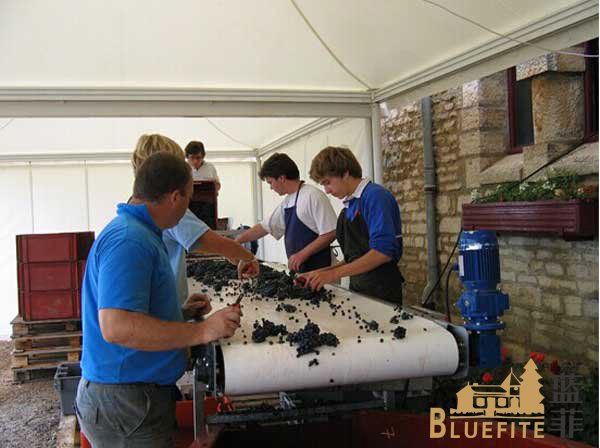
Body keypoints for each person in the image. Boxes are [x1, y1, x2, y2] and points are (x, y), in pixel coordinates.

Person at [75, 152, 243, 447]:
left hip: (132, 398)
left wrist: (179, 312)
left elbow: (132, 311)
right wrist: (203, 330)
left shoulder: (140, 233)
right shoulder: (129, 241)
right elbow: (117, 327)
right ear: (175, 197)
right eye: (188, 198)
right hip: (126, 405)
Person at [132, 134, 259, 305]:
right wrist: (248, 258)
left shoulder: (137, 209)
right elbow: (209, 241)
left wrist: (183, 313)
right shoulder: (169, 208)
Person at [297, 146, 404, 304]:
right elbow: (353, 258)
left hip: (382, 291)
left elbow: (383, 252)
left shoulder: (375, 197)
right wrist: (318, 273)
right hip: (359, 289)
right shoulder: (348, 208)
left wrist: (333, 275)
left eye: (327, 182)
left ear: (345, 173)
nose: (326, 190)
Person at [235, 153, 337, 273]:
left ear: (282, 178)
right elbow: (265, 227)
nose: (271, 188)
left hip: (322, 270)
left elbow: (331, 232)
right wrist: (237, 241)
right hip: (302, 271)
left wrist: (302, 254)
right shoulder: (288, 202)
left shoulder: (313, 196)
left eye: (270, 182)